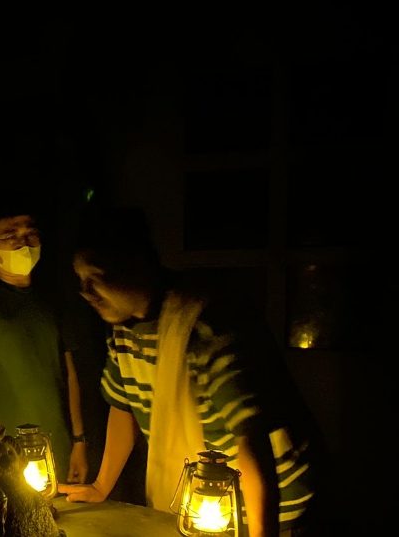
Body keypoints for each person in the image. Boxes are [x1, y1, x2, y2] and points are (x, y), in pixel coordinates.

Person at [58, 209, 319, 537]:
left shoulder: (207, 326)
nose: (86, 292)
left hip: (273, 506)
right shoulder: (122, 329)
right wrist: (101, 485)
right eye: (80, 280)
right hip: (206, 505)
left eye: (96, 277)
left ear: (135, 263)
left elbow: (252, 439)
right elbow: (124, 405)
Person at [0, 207, 88, 484]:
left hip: (55, 444)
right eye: (11, 236)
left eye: (30, 234)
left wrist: (79, 440)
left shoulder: (53, 300)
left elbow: (71, 375)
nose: (23, 243)